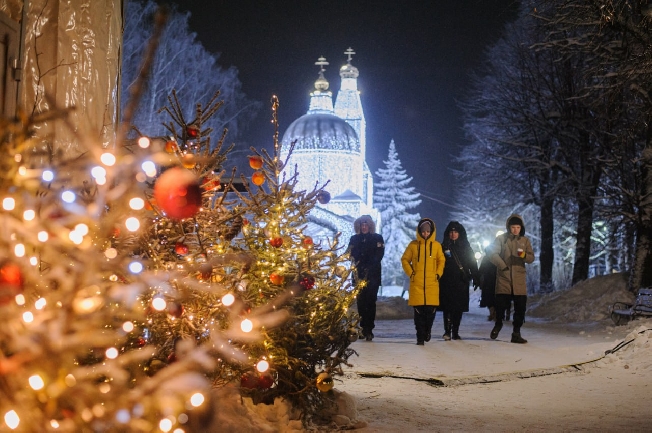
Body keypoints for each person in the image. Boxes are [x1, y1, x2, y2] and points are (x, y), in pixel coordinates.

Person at [488, 214, 535, 344]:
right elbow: (492, 254)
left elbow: (531, 258)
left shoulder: (524, 241)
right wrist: (502, 266)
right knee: (500, 305)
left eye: (518, 227)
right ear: (509, 227)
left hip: (519, 278)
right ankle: (498, 324)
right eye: (513, 227)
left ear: (521, 228)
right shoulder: (501, 239)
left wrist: (524, 255)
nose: (515, 230)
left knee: (520, 308)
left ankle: (516, 333)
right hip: (504, 277)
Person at [401, 218, 445, 345]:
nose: (425, 234)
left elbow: (441, 261)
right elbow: (404, 260)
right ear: (419, 231)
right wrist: (412, 273)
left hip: (432, 284)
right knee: (419, 314)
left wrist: (438, 274)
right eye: (423, 231)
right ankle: (420, 337)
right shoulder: (413, 245)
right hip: (417, 284)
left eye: (428, 232)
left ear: (431, 232)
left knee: (430, 313)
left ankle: (427, 331)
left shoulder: (436, 246)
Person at [347, 215, 385, 341]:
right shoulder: (354, 239)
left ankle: (369, 328)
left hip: (372, 275)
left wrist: (369, 265)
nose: (364, 227)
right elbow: (350, 254)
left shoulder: (377, 238)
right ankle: (363, 327)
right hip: (358, 275)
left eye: (366, 225)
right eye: (362, 225)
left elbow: (379, 255)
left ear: (370, 226)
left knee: (370, 302)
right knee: (361, 303)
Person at [439, 221, 478, 340]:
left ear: (460, 233)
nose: (453, 234)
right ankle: (447, 331)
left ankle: (455, 331)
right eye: (451, 231)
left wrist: (476, 277)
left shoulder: (466, 247)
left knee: (458, 307)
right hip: (446, 280)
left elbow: (472, 263)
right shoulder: (443, 246)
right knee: (447, 307)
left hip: (461, 280)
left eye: (456, 231)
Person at [477, 246, 497, 321]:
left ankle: (492, 312)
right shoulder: (498, 258)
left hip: (488, 282)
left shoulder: (486, 259)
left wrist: (479, 280)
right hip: (495, 282)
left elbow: (481, 270)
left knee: (489, 299)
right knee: (495, 299)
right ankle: (495, 313)